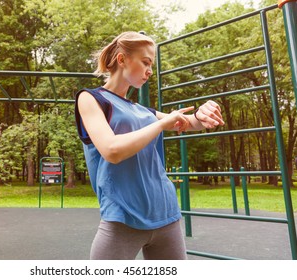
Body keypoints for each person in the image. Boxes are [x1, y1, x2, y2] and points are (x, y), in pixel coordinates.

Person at [74, 31, 225, 260]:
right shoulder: (92, 99)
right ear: (122, 59)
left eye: (151, 64)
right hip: (122, 218)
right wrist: (162, 123)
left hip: (166, 215)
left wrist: (204, 112)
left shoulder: (143, 111)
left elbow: (189, 122)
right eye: (145, 62)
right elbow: (112, 150)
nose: (150, 70)